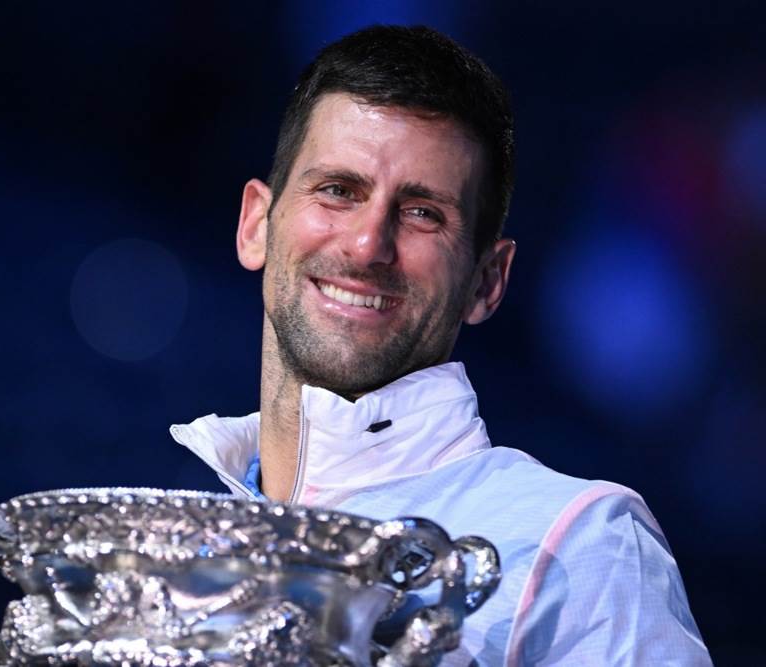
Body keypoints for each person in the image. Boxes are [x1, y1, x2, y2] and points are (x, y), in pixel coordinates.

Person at [170, 25, 711, 665]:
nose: (368, 245)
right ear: (256, 225)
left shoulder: (578, 543)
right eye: (338, 190)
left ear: (487, 281)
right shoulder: (177, 555)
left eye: (422, 212)